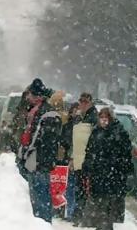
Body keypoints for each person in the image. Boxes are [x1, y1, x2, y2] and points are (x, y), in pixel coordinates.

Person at [82, 108, 134, 230]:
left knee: (108, 209)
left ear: (111, 118)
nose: (104, 120)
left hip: (112, 177)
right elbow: (89, 152)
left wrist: (119, 170)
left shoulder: (119, 133)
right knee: (98, 208)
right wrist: (87, 169)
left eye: (106, 117)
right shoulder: (96, 132)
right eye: (101, 117)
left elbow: (125, 155)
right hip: (98, 176)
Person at [19, 78, 62, 223]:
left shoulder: (46, 114)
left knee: (40, 196)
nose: (27, 97)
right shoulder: (37, 111)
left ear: (37, 96)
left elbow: (38, 140)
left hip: (39, 161)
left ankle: (43, 222)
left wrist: (28, 154)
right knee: (37, 194)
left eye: (30, 94)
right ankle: (40, 221)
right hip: (37, 160)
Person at [72, 92, 98, 226]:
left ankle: (83, 217)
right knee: (80, 190)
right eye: (81, 101)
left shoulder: (93, 118)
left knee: (84, 190)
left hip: (86, 161)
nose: (82, 104)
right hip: (78, 160)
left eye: (85, 101)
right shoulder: (80, 117)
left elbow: (93, 142)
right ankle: (79, 216)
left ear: (91, 102)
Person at [60, 102, 81, 220]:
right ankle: (69, 211)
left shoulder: (80, 126)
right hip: (67, 159)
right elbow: (64, 141)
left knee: (73, 186)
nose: (75, 112)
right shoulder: (67, 126)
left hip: (76, 158)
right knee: (69, 186)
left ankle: (72, 211)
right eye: (74, 110)